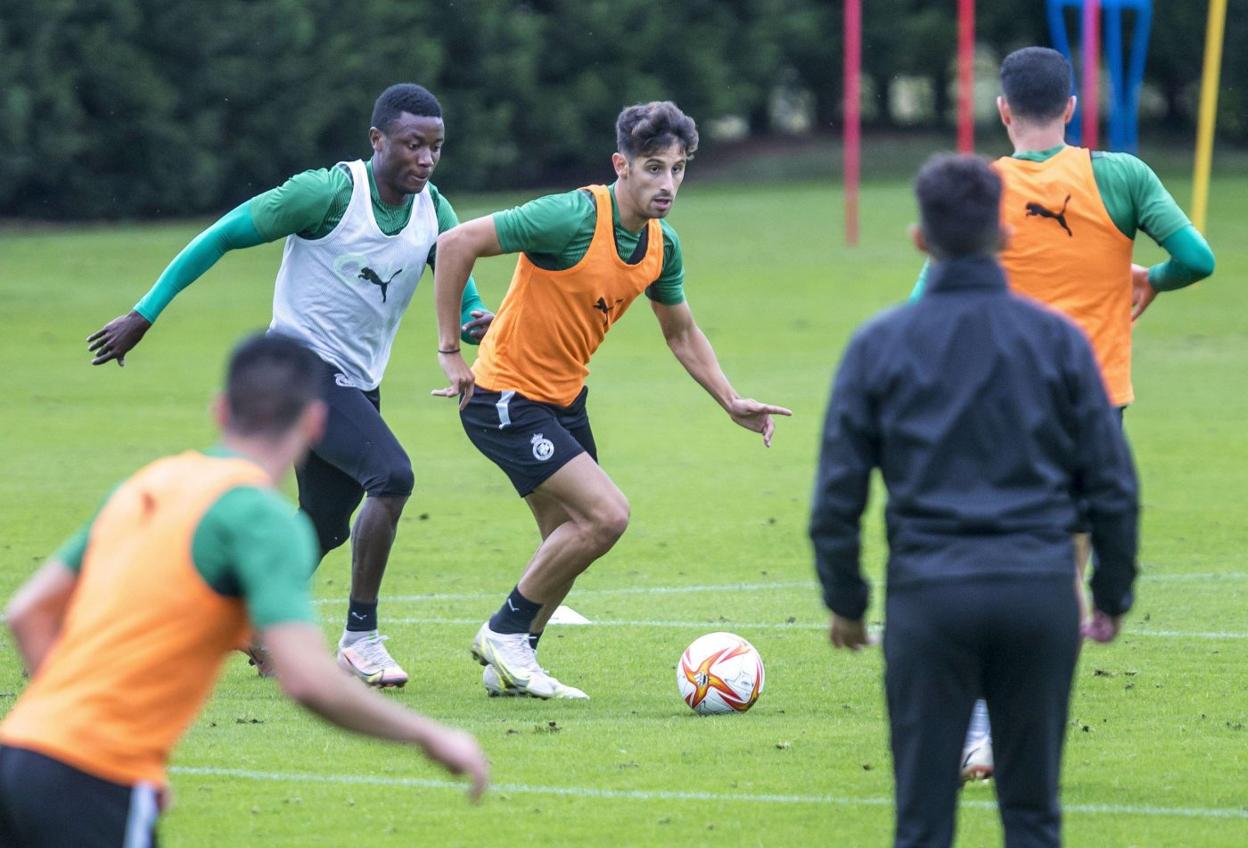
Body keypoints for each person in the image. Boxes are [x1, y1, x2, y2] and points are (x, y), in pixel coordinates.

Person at [0, 334, 488, 848]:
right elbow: (308, 681)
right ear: (315, 424)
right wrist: (429, 735)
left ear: (220, 409)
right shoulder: (263, 518)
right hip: (91, 778)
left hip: (18, 750)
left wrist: (66, 734)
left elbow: (27, 613)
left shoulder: (150, 482)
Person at [85, 83, 493, 687]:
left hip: (354, 382)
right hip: (295, 368)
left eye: (435, 146)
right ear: (377, 140)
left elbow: (464, 294)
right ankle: (362, 641)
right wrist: (145, 313)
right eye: (412, 145)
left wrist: (477, 323)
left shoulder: (435, 209)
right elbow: (223, 234)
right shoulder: (326, 194)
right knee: (393, 475)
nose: (426, 159)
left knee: (327, 523)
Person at [811, 154, 1139, 848]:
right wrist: (1111, 589)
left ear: (919, 240)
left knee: (924, 822)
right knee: (1032, 817)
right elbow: (1110, 482)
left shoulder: (879, 344)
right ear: (1007, 234)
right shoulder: (1059, 341)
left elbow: (838, 492)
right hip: (1039, 594)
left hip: (930, 600)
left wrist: (846, 599)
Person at [911, 46, 1214, 781]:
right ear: (1074, 109)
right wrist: (1152, 280)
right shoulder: (1123, 176)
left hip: (995, 405)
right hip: (1093, 406)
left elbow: (924, 305)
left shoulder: (983, 186)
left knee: (985, 560)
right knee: (1058, 575)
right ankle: (1018, 728)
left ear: (1004, 110)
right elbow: (1198, 258)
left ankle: (978, 725)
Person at [431, 101, 791, 699]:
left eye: (678, 169)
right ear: (620, 165)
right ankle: (504, 632)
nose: (668, 184)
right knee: (605, 516)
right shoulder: (570, 216)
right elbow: (454, 243)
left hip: (564, 400)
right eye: (654, 168)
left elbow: (680, 332)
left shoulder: (660, 246)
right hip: (504, 397)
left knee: (566, 541)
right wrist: (450, 349)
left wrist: (730, 400)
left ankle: (512, 666)